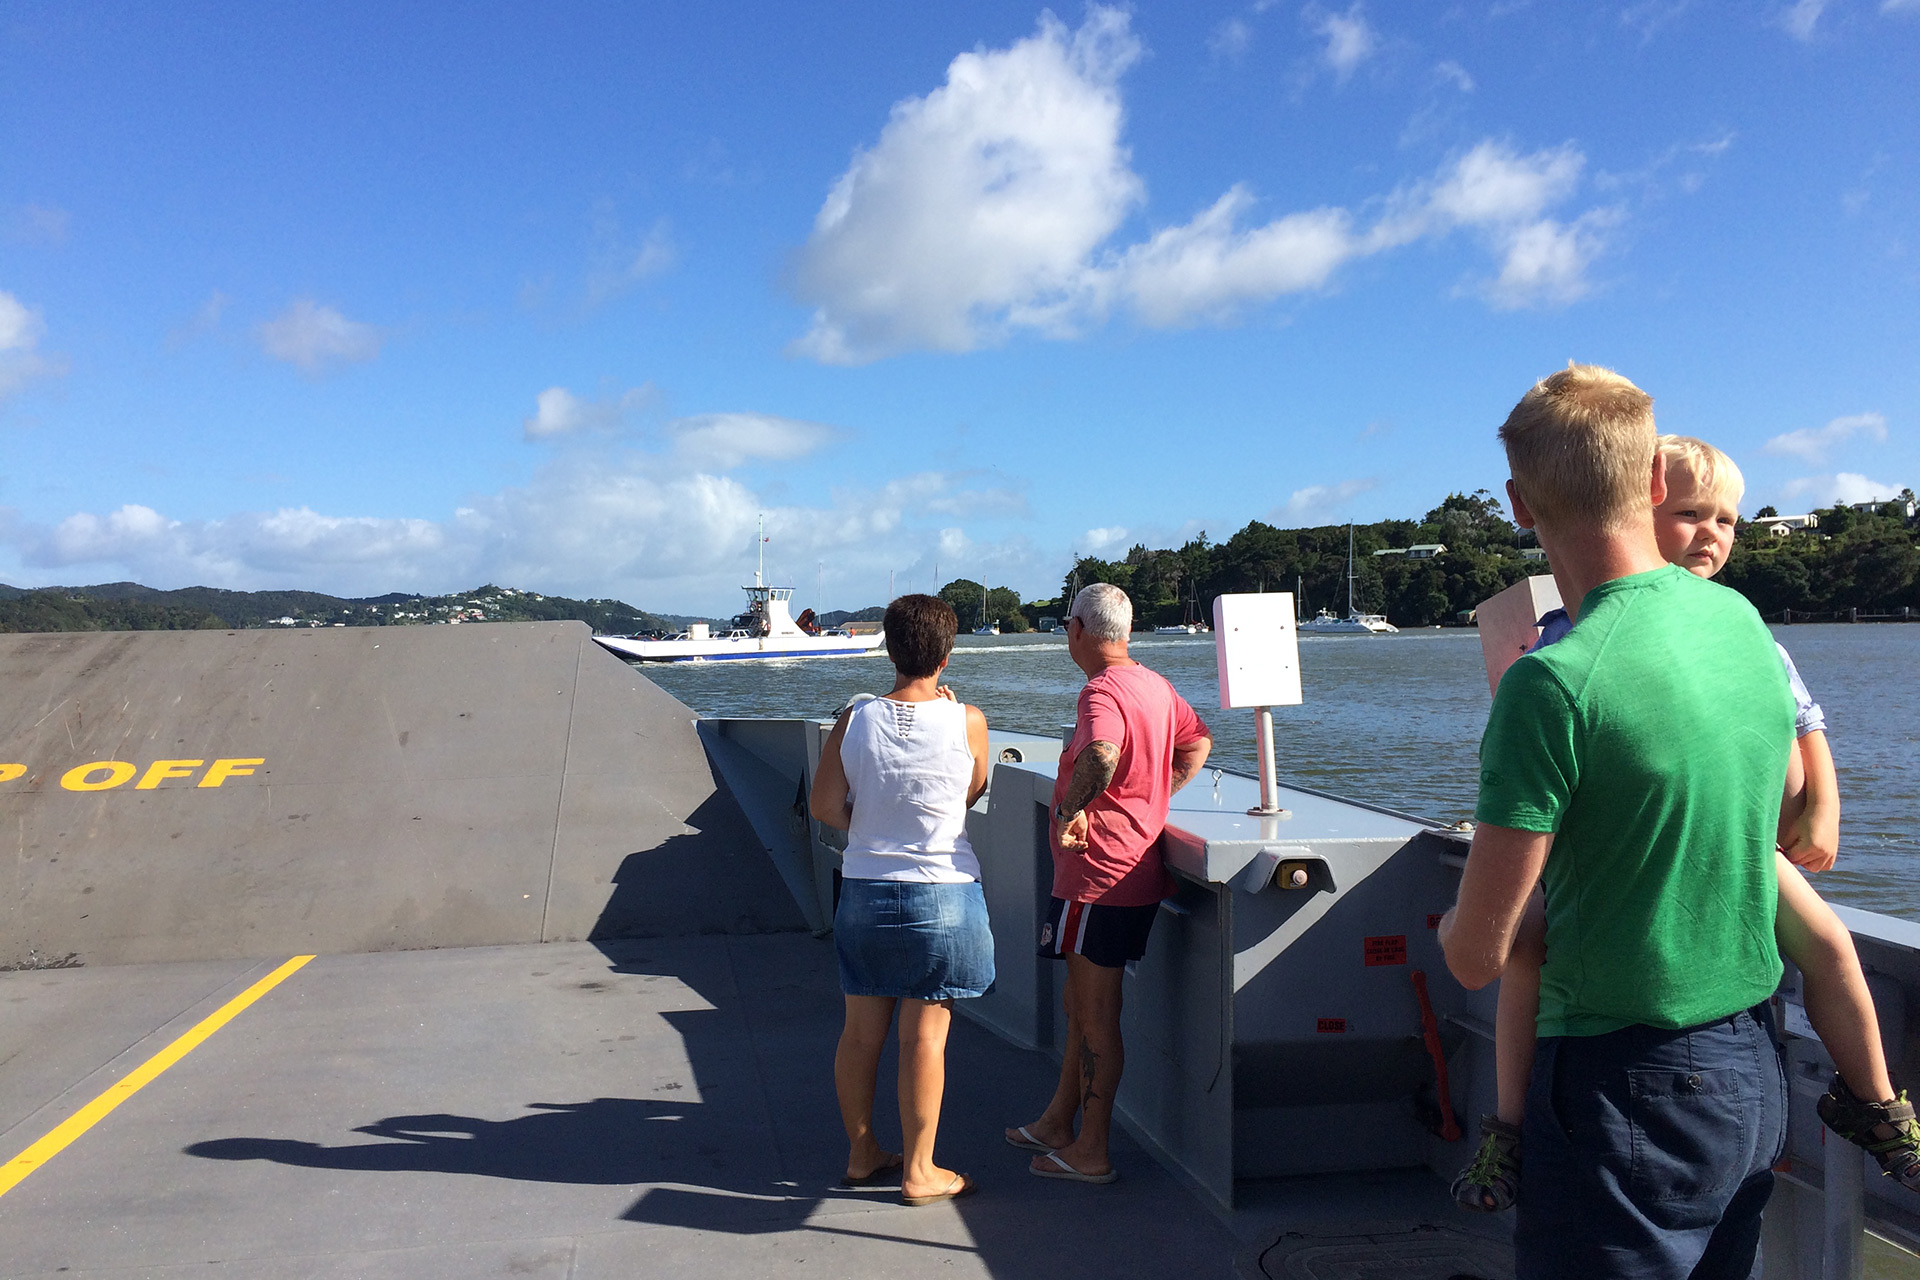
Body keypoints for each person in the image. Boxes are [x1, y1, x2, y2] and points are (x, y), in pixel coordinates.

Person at [1452, 433, 1920, 1216]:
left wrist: (1824, 811)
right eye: (1692, 512)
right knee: (1526, 949)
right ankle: (1507, 1123)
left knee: (1833, 946)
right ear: (1640, 504)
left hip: (1731, 847)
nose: (1712, 533)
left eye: (1729, 520)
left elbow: (1809, 728)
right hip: (1627, 855)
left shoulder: (1739, 628)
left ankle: (1876, 1105)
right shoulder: (1577, 639)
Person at [1439, 365, 1794, 1278]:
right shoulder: (1742, 624)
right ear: (1651, 484)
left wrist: (1456, 920)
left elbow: (1480, 955)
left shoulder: (1551, 682)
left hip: (1623, 1087)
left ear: (1519, 504)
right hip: (1752, 1063)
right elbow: (1785, 789)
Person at [1004, 583, 1212, 1184]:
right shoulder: (1155, 685)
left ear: (1078, 632)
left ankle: (1091, 1150)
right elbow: (1196, 743)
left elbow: (1100, 752)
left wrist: (1072, 810)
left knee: (1096, 1015)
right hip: (1129, 868)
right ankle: (1058, 1121)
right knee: (1081, 1003)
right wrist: (1152, 801)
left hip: (1100, 877)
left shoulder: (1101, 690)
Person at [809, 593, 993, 1207]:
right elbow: (968, 792)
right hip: (942, 894)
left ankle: (863, 1153)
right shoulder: (968, 719)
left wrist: (871, 823)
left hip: (865, 892)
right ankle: (920, 1170)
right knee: (924, 1039)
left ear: (889, 649)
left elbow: (825, 807)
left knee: (860, 1035)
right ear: (948, 653)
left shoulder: (854, 719)